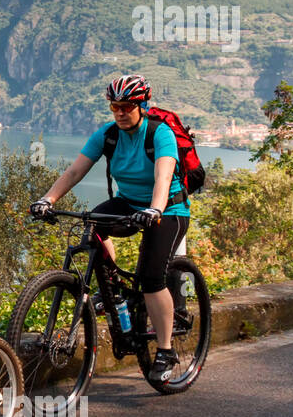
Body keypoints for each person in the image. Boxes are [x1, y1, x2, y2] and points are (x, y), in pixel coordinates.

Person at [30, 73, 191, 383]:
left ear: (142, 106)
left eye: (127, 106)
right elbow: (76, 170)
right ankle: (113, 288)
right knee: (91, 227)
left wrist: (155, 209)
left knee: (151, 279)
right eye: (115, 106)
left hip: (168, 208)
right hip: (129, 202)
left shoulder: (160, 134)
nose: (120, 112)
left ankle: (166, 350)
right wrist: (47, 199)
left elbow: (163, 176)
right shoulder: (107, 135)